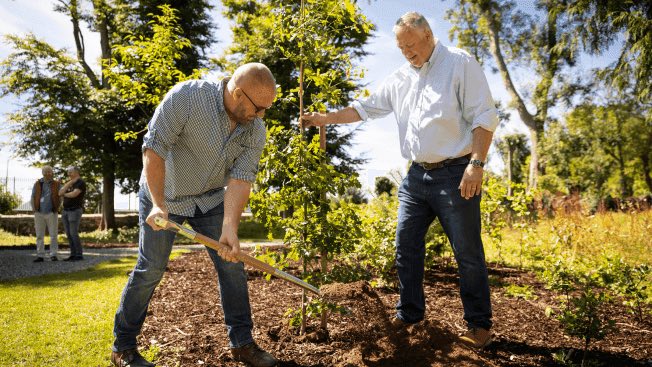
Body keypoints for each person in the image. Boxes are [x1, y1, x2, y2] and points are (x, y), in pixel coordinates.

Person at [302, 12, 499, 349]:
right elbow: (366, 109)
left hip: (456, 172)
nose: (407, 52)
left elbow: (484, 116)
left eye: (411, 45)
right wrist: (326, 118)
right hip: (416, 176)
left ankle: (479, 325)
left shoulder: (459, 63)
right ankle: (409, 314)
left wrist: (476, 164)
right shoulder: (400, 79)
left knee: (467, 253)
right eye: (401, 47)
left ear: (428, 35)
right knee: (405, 247)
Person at [110, 63, 278, 367]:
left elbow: (241, 179)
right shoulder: (188, 97)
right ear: (238, 93)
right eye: (259, 108)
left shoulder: (254, 129)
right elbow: (154, 149)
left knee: (232, 265)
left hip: (210, 199)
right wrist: (159, 204)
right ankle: (123, 348)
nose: (262, 116)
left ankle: (242, 343)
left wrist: (230, 228)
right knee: (151, 269)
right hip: (166, 195)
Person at [30, 165, 61, 262]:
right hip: (39, 212)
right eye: (46, 172)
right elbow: (33, 196)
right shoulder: (37, 184)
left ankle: (53, 254)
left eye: (50, 172)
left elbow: (61, 196)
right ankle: (40, 255)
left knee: (53, 235)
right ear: (42, 173)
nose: (48, 173)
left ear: (52, 173)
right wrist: (34, 209)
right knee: (39, 235)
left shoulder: (56, 184)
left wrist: (58, 207)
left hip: (52, 212)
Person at [59, 165, 86, 261]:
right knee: (69, 234)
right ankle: (73, 254)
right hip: (65, 211)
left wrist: (64, 194)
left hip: (74, 211)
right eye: (68, 172)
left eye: (70, 172)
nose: (68, 174)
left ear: (77, 172)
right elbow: (59, 192)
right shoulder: (70, 183)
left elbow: (74, 194)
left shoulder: (81, 182)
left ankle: (79, 255)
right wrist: (70, 182)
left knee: (73, 233)